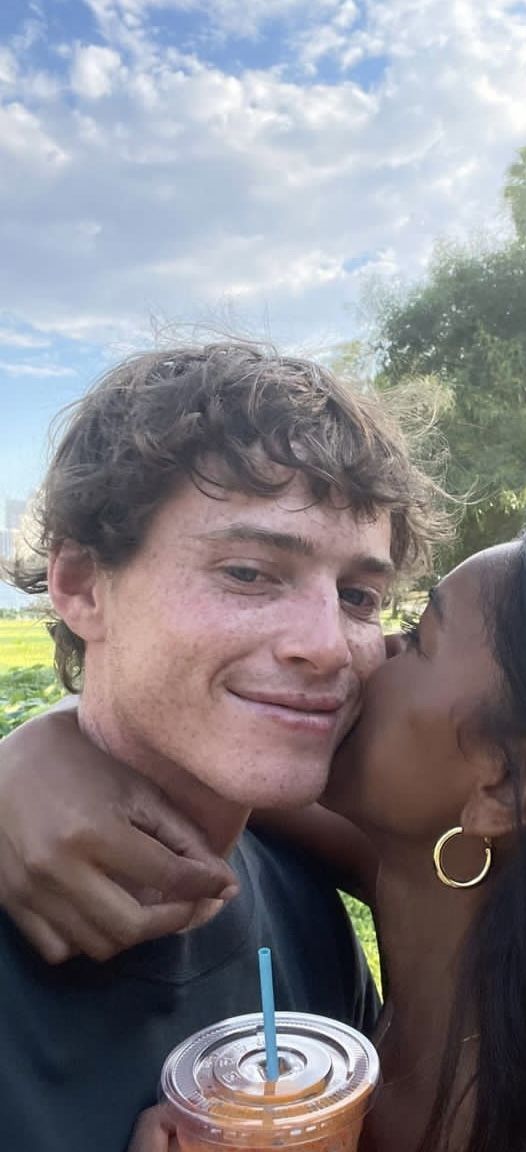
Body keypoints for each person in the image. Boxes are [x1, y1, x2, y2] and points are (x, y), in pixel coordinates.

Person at [3, 526, 526, 1152]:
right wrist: (46, 741)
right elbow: (199, 739)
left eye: (422, 640)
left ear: (508, 786)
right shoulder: (443, 883)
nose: (359, 653)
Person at [0, 340, 442, 1152]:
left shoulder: (305, 904)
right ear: (81, 585)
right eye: (247, 572)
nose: (328, 646)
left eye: (358, 596)